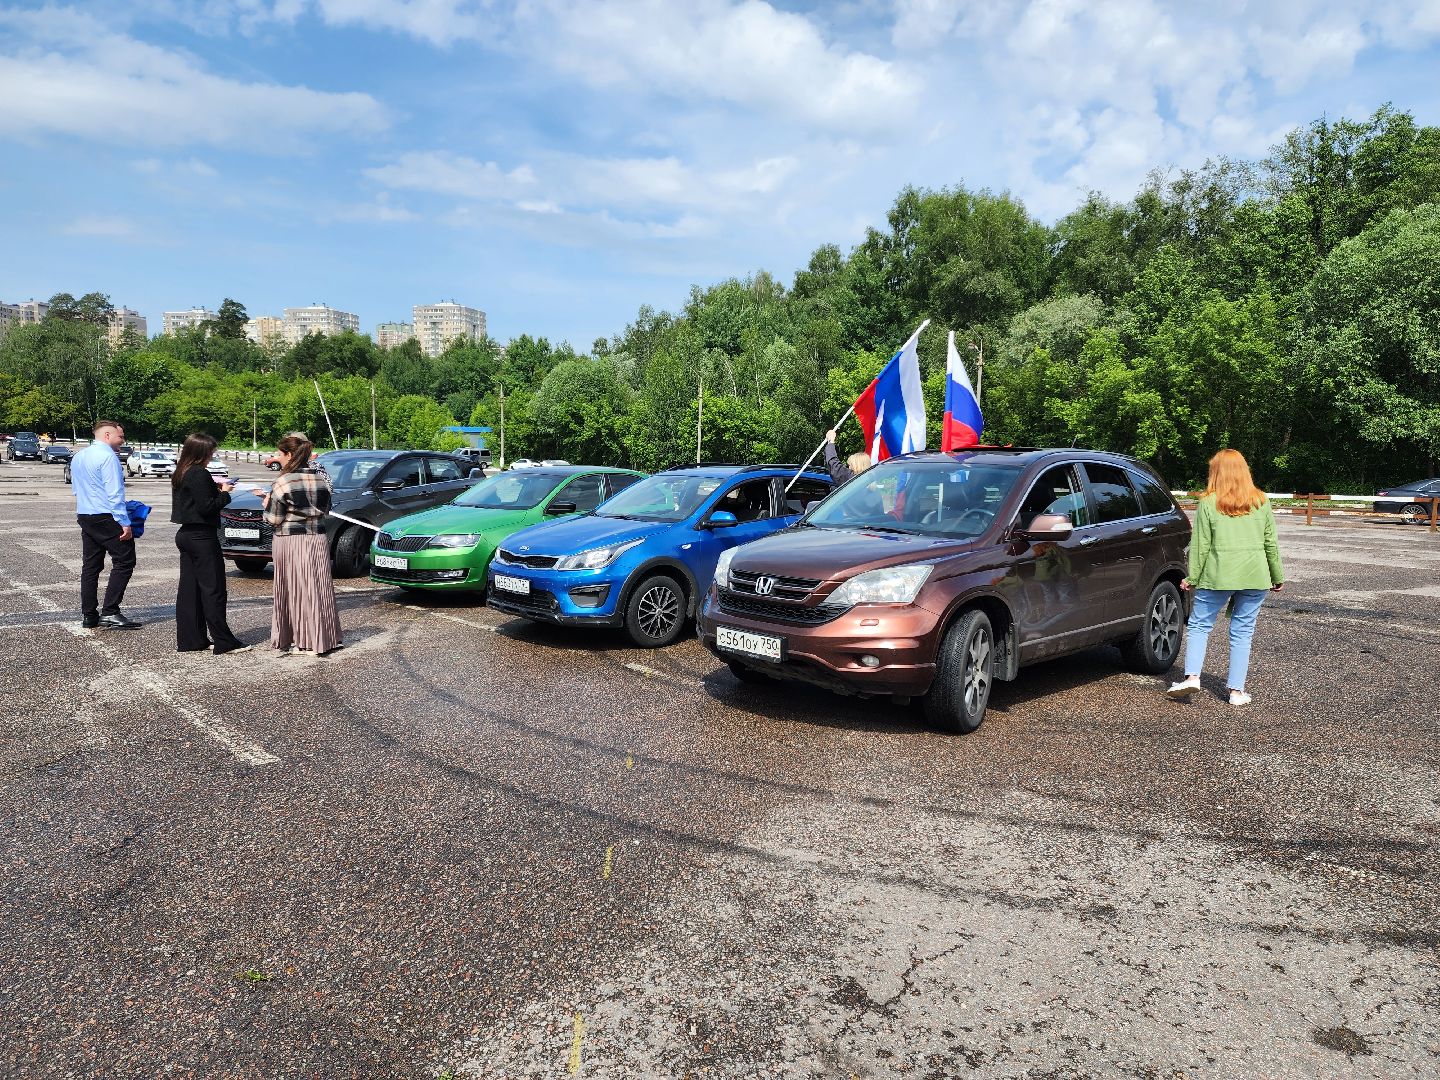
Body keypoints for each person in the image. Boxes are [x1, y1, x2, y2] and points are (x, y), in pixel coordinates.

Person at [1167, 449, 1285, 706]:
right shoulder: (1261, 501)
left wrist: (1192, 577)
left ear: (1216, 472)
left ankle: (1192, 677)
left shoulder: (1209, 502)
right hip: (1255, 576)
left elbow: (1200, 545)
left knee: (1199, 625)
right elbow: (1270, 543)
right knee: (1242, 632)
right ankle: (1236, 692)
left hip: (1218, 575)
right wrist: (1277, 575)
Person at [255, 433, 342, 656]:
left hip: (291, 541)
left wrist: (266, 505)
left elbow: (274, 519)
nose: (278, 458)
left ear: (290, 455)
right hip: (318, 539)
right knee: (318, 589)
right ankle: (324, 638)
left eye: (280, 454)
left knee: (294, 589)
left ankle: (302, 641)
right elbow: (326, 509)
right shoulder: (321, 479)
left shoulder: (283, 481)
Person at [170, 433, 250, 655]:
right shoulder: (199, 473)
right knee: (213, 589)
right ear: (202, 453)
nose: (212, 456)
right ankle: (224, 641)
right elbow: (207, 507)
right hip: (202, 537)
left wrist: (215, 489)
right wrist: (225, 494)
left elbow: (195, 501)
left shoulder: (181, 471)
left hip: (185, 534)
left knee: (190, 590)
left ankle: (191, 639)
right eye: (210, 453)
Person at [71, 419, 139, 629]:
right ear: (107, 435)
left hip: (85, 513)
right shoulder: (108, 457)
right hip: (105, 515)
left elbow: (76, 488)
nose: (123, 440)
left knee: (91, 566)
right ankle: (111, 611)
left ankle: (89, 615)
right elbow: (115, 493)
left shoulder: (79, 456)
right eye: (120, 436)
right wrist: (124, 522)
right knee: (125, 560)